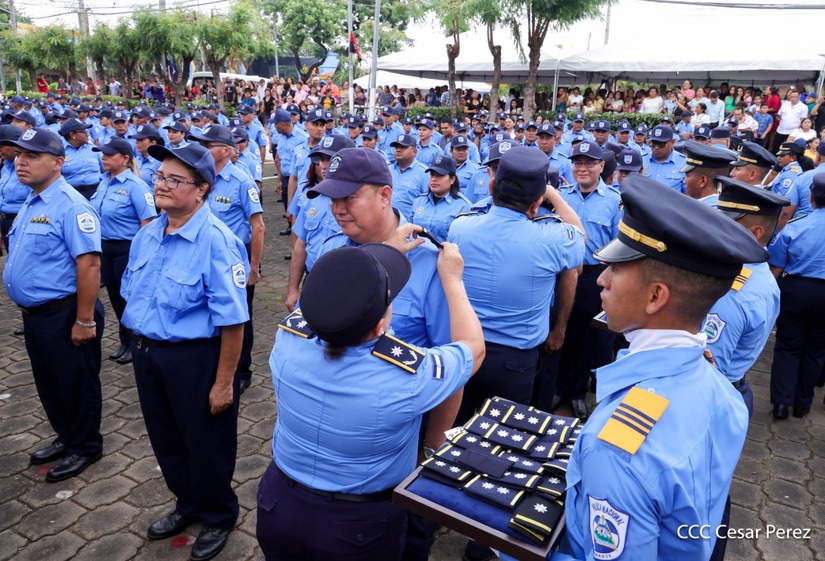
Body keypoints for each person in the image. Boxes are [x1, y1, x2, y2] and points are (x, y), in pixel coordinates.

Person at [554, 173, 766, 561]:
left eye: (616, 269)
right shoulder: (719, 387)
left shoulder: (616, 451)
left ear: (655, 296)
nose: (600, 279)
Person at [258, 235, 484, 561]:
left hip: (278, 503)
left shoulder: (287, 335)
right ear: (380, 326)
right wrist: (452, 280)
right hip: (357, 529)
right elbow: (473, 350)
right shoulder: (406, 377)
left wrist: (385, 250)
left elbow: (337, 290)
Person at [121, 143, 250, 561]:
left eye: (176, 180)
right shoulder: (148, 233)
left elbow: (233, 323)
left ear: (201, 190)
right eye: (160, 177)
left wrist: (224, 383)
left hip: (194, 360)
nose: (162, 185)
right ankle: (187, 503)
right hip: (148, 355)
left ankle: (218, 514)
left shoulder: (218, 242)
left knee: (206, 443)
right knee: (167, 438)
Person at [2, 127, 105, 482]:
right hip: (37, 316)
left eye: (32, 156)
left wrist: (85, 320)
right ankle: (68, 436)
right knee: (50, 382)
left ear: (58, 163)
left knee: (76, 383)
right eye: (19, 155)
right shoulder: (33, 199)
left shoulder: (73, 206)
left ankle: (86, 446)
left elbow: (89, 264)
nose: (21, 162)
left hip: (65, 312)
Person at [189, 125, 264, 395]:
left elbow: (258, 226)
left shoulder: (242, 181)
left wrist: (253, 267)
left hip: (235, 258)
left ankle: (242, 371)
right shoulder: (199, 179)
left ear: (227, 150)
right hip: (202, 255)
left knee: (240, 317)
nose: (204, 149)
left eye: (209, 145)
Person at [89, 137, 156, 364]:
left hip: (127, 249)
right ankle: (124, 340)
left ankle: (135, 340)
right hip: (105, 248)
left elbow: (147, 221)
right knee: (115, 298)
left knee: (128, 297)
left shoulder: (135, 186)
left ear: (125, 159)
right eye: (103, 154)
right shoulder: (103, 182)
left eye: (109, 155)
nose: (104, 158)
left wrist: (141, 255)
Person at [768, 173, 825, 419]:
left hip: (796, 290)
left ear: (811, 197)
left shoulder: (796, 225)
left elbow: (776, 267)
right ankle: (803, 404)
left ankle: (781, 403)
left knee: (787, 347)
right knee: (816, 350)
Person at [410, 153, 471, 241]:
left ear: (452, 179)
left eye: (440, 175)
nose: (434, 179)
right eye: (432, 174)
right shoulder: (419, 201)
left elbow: (463, 241)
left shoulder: (463, 207)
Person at [680, 140, 737, 207]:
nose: (684, 181)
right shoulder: (722, 207)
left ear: (703, 180)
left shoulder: (700, 211)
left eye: (687, 176)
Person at [58, 118, 102, 200]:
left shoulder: (93, 149)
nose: (87, 134)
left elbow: (106, 170)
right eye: (84, 132)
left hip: (97, 193)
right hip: (71, 195)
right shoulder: (60, 152)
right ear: (72, 134)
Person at [0, 125, 28, 252]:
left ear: (15, 146)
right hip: (6, 221)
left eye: (2, 147)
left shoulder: (27, 167)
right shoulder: (6, 166)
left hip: (24, 222)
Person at [643, 125, 686, 193]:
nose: (656, 148)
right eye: (653, 144)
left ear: (672, 142)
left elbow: (688, 194)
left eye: (661, 144)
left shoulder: (684, 163)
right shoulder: (642, 160)